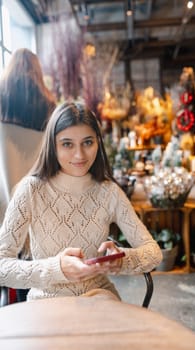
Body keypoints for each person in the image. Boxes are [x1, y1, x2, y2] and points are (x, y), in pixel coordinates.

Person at [0, 101, 162, 301]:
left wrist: (121, 261)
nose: (80, 155)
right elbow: (2, 267)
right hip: (46, 303)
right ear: (53, 146)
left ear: (98, 142)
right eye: (67, 144)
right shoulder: (31, 190)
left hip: (99, 298)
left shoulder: (109, 192)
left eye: (88, 142)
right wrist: (56, 268)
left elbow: (153, 252)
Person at [0, 48, 56, 301]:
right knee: (31, 279)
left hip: (3, 200)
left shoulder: (2, 101)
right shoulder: (49, 107)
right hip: (35, 205)